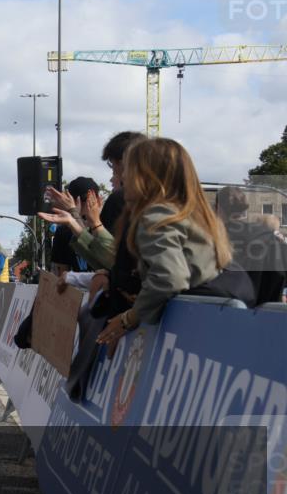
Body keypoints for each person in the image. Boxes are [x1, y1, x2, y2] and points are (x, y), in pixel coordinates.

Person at [96, 137, 246, 347]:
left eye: (129, 169)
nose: (123, 178)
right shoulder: (192, 214)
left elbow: (170, 277)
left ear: (147, 177)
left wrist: (128, 318)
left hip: (195, 330)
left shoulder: (156, 216)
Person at [215, 185, 287, 305]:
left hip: (227, 312)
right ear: (244, 210)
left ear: (218, 209)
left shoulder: (212, 240)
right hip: (269, 314)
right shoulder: (272, 239)